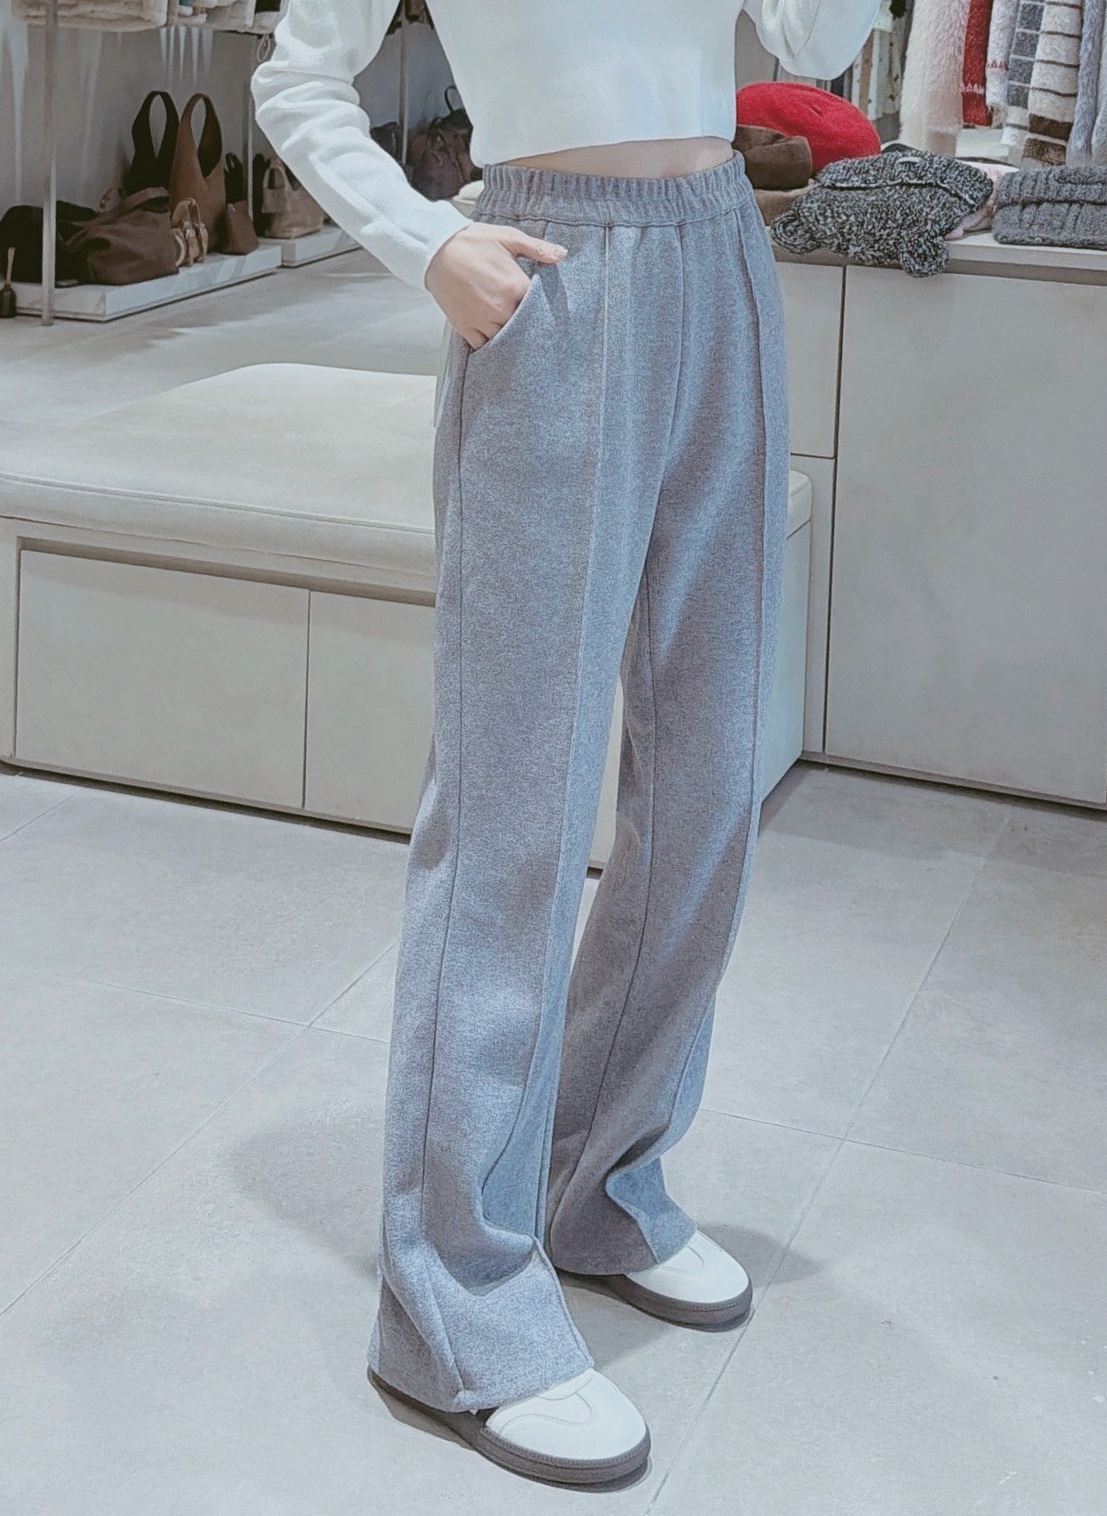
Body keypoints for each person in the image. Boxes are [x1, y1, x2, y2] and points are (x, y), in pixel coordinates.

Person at [251, 0, 875, 1490]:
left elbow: (810, 46)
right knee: (513, 792)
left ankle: (603, 1175)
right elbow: (297, 77)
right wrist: (426, 242)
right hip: (550, 268)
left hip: (722, 252)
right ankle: (454, 1296)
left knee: (710, 767)